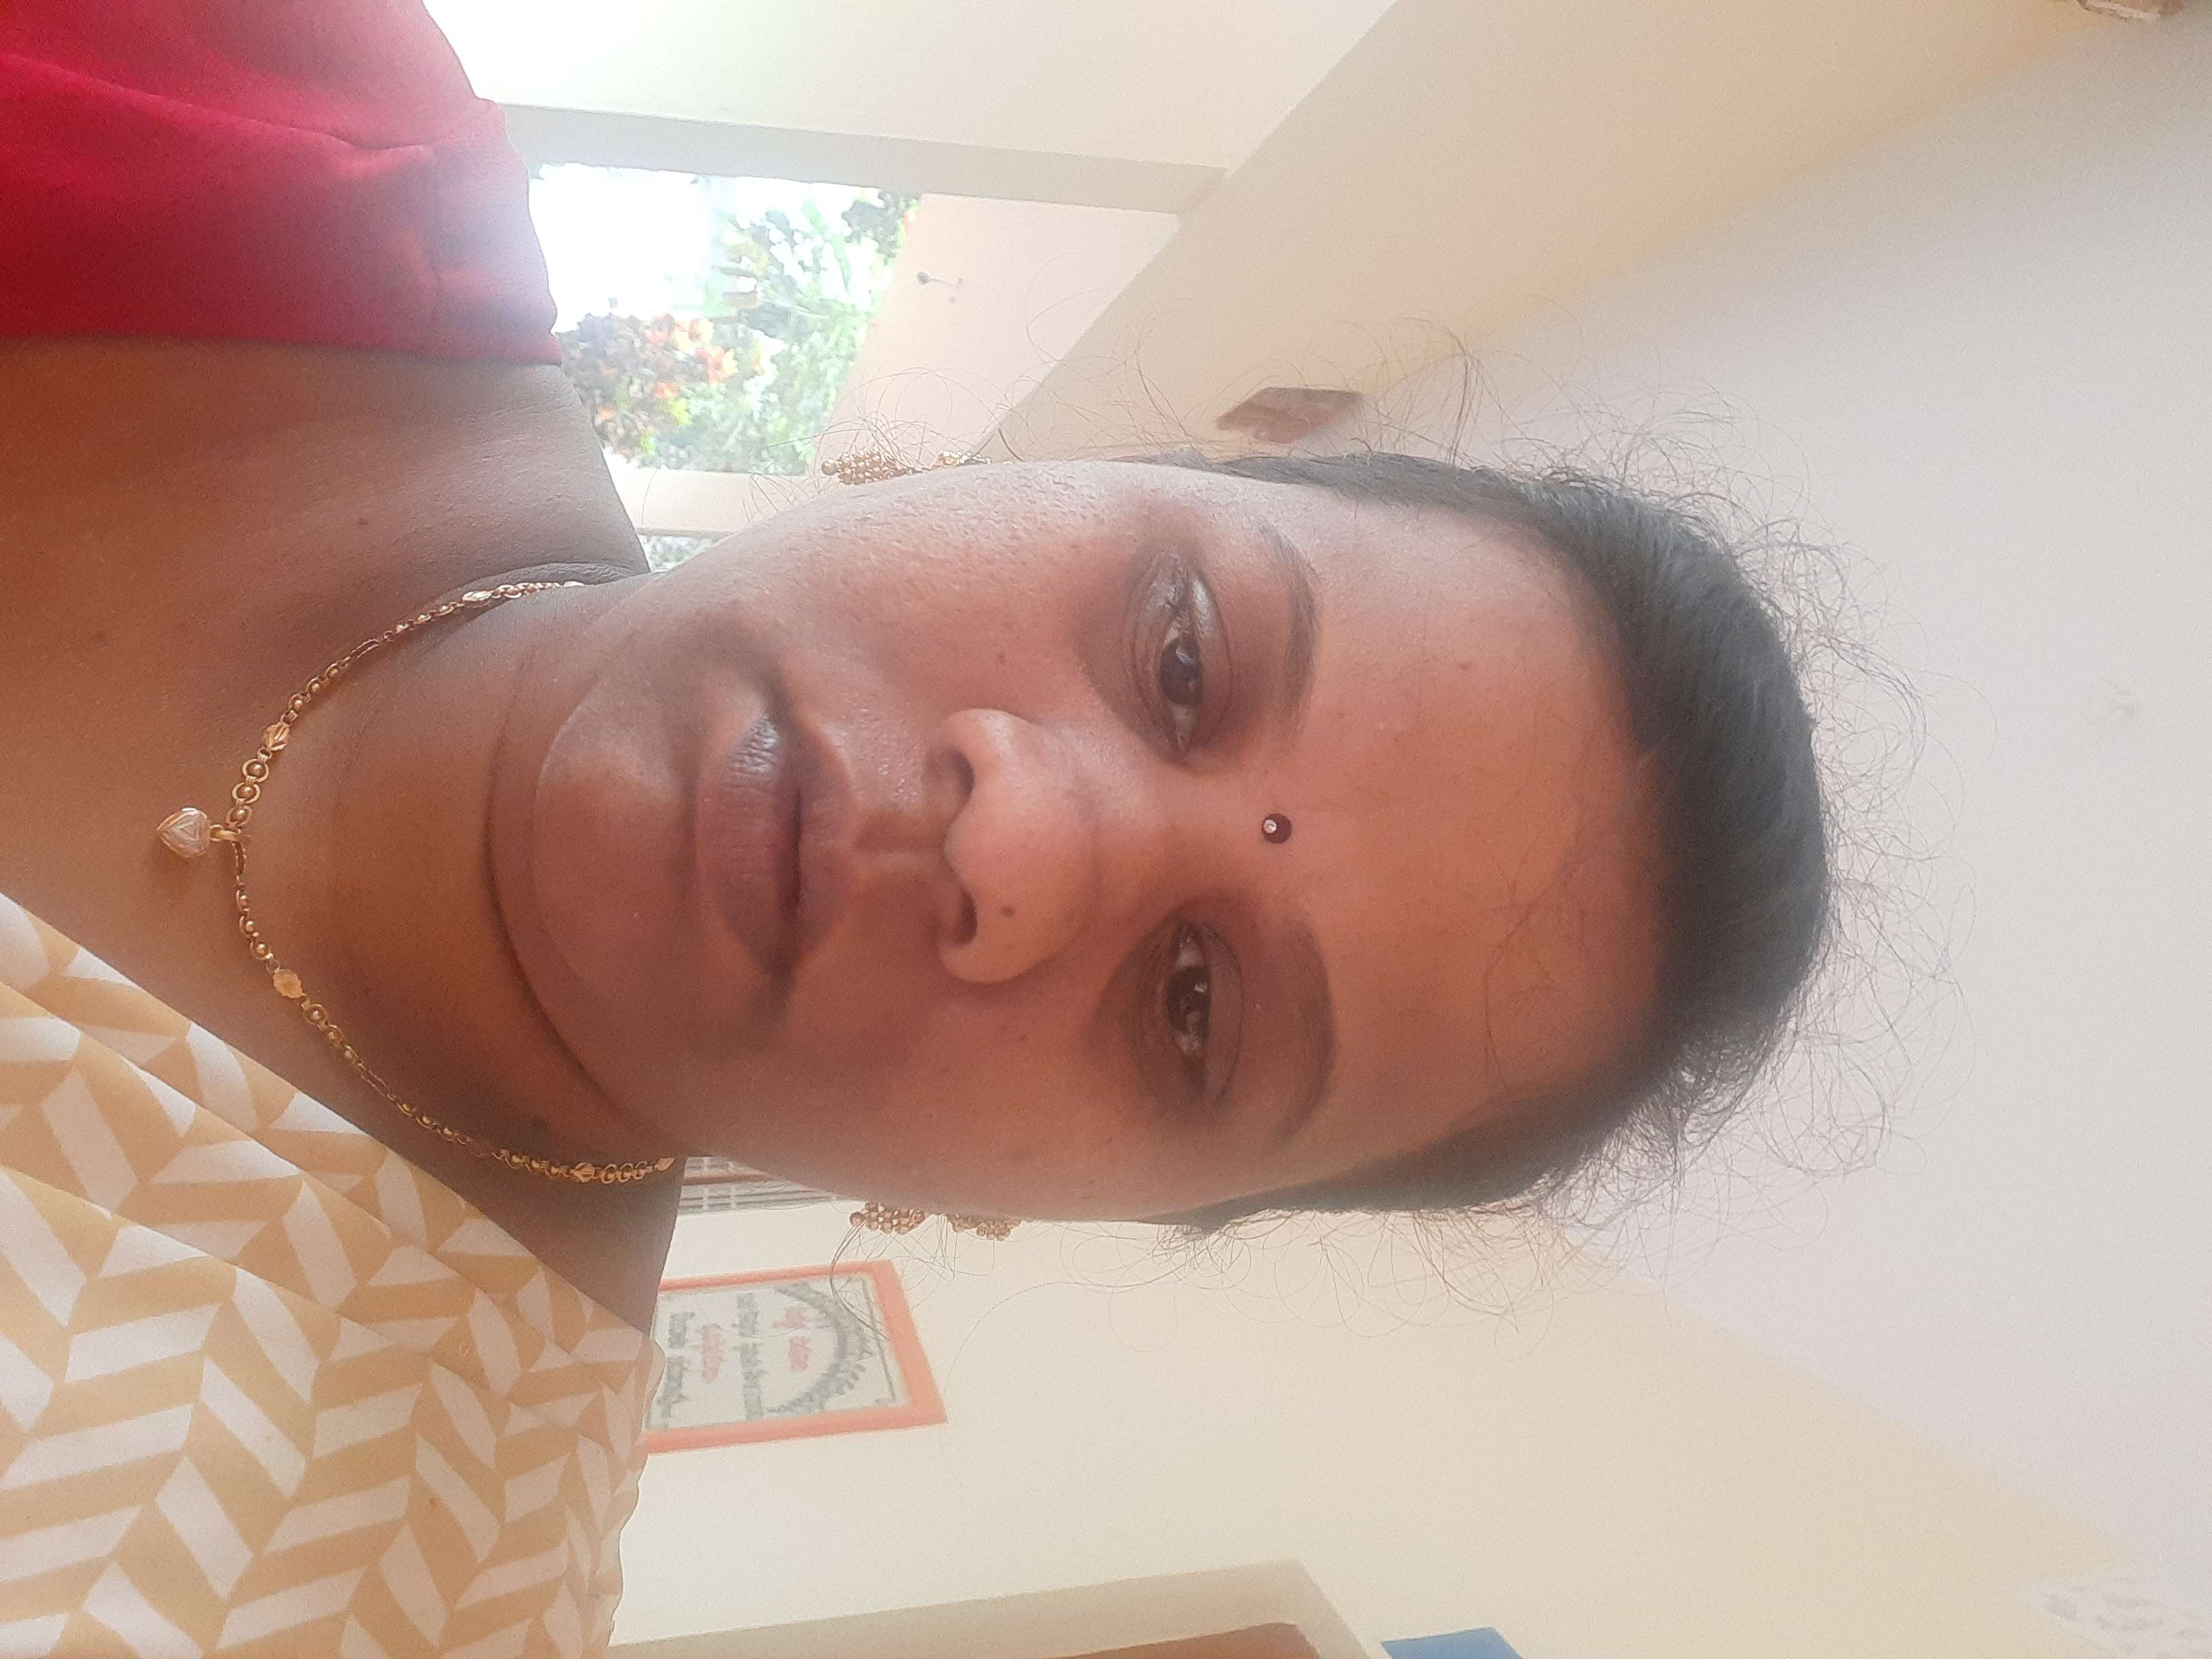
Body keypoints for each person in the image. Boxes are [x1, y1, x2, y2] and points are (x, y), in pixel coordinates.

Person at [0, 1, 1831, 1654]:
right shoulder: (247, 96)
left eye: (1197, 1007)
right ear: (1087, 465)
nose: (1015, 846)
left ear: (1083, 1210)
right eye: (1183, 657)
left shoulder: (372, 1590)